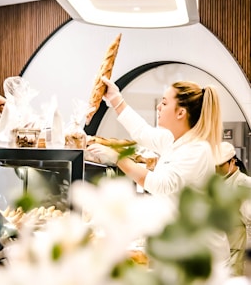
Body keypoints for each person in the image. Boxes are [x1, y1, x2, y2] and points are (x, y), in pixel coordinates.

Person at [87, 76, 230, 267]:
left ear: (180, 112)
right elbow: (142, 132)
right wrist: (115, 99)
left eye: (164, 102)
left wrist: (117, 157)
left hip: (203, 254)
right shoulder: (173, 140)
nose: (158, 107)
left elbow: (160, 184)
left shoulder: (198, 149)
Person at [216, 141, 251, 276]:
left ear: (232, 162)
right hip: (221, 251)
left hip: (236, 252)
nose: (216, 169)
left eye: (220, 165)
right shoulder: (220, 183)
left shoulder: (244, 184)